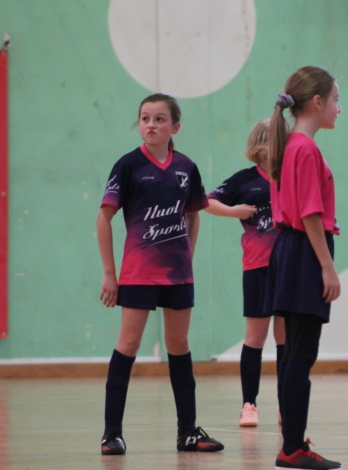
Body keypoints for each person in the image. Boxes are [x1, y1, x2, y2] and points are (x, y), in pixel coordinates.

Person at [97, 93, 224, 455]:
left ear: (175, 127)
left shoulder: (186, 167)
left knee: (179, 345)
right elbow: (104, 218)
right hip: (138, 273)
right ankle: (111, 434)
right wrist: (110, 274)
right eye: (145, 118)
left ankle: (188, 433)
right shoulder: (128, 165)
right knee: (128, 344)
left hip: (178, 275)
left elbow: (194, 213)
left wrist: (188, 257)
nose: (151, 125)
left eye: (159, 119)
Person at [265, 66, 342, 470]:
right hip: (305, 252)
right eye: (335, 100)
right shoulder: (306, 149)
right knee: (301, 354)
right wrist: (327, 267)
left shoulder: (289, 145)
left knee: (293, 352)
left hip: (288, 250)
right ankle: (293, 447)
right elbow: (310, 213)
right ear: (316, 102)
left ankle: (292, 442)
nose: (338, 108)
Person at [205, 119, 285, 427]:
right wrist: (234, 211)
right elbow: (207, 202)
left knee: (285, 339)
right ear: (261, 144)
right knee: (255, 337)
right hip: (257, 267)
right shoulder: (245, 180)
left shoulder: (292, 175)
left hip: (289, 268)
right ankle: (249, 405)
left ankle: (286, 405)